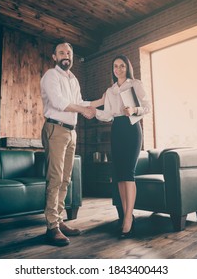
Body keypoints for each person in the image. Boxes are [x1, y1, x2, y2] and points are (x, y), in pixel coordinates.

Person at [40, 41, 97, 246]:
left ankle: (59, 220)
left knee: (65, 179)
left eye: (69, 53)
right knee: (55, 178)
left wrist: (101, 101)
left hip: (71, 132)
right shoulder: (50, 75)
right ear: (54, 57)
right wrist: (83, 110)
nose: (66, 55)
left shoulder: (73, 79)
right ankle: (52, 227)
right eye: (61, 52)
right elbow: (59, 103)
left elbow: (81, 103)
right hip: (55, 128)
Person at [94, 55, 151, 238]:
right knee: (118, 175)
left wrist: (134, 110)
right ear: (112, 69)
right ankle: (128, 215)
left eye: (122, 66)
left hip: (132, 128)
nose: (118, 69)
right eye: (115, 66)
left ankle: (127, 219)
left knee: (128, 173)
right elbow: (109, 114)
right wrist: (93, 112)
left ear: (127, 67)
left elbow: (148, 107)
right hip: (117, 129)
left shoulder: (135, 84)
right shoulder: (110, 91)